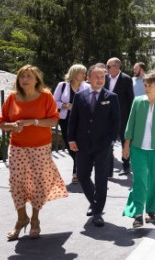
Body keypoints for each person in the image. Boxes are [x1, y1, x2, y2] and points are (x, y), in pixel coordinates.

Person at [0, 65, 67, 240]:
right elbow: (1, 123)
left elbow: (53, 121)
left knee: (38, 183)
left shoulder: (46, 97)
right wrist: (11, 126)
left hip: (40, 147)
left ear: (37, 80)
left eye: (29, 76)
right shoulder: (12, 98)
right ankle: (21, 218)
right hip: (17, 146)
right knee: (16, 183)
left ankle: (35, 220)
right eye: (22, 76)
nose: (25, 80)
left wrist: (33, 121)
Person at [67, 64, 121, 227]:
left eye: (102, 77)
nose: (100, 80)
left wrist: (111, 140)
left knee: (101, 179)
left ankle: (97, 212)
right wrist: (71, 139)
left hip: (103, 145)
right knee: (82, 175)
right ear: (88, 78)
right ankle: (94, 202)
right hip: (82, 144)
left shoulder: (111, 97)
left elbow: (116, 121)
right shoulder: (80, 96)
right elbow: (73, 119)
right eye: (96, 77)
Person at [122, 72, 155, 228]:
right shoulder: (138, 102)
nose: (146, 88)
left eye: (150, 85)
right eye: (145, 85)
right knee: (139, 181)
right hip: (138, 148)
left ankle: (152, 208)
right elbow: (130, 124)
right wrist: (126, 145)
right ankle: (138, 214)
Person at [53, 63, 89, 184]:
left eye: (85, 73)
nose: (84, 75)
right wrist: (64, 105)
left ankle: (76, 172)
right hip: (65, 120)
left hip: (81, 121)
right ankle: (80, 167)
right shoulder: (62, 85)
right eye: (82, 73)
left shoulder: (87, 87)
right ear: (74, 73)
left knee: (79, 145)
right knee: (70, 146)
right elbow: (54, 101)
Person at [105, 57, 135, 175]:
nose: (106, 69)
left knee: (124, 141)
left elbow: (130, 99)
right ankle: (109, 169)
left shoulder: (126, 79)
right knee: (108, 142)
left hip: (123, 116)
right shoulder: (106, 79)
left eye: (108, 67)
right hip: (108, 117)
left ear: (116, 67)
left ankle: (126, 165)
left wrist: (130, 118)